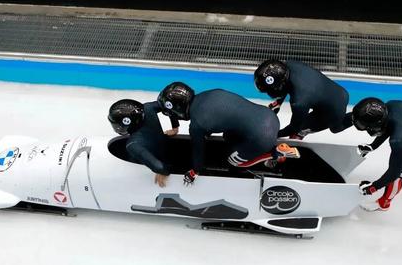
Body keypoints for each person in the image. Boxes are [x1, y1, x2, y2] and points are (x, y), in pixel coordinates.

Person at [157, 82, 300, 186]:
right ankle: (270, 152)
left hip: (261, 136)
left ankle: (275, 153)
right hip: (268, 117)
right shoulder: (210, 92)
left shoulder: (197, 125)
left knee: (233, 162)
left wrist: (195, 171)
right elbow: (221, 114)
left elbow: (198, 152)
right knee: (227, 135)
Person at [254, 59, 353, 139]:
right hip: (339, 92)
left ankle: (356, 116)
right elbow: (285, 85)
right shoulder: (289, 64)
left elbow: (294, 127)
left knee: (335, 128)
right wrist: (278, 102)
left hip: (333, 111)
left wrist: (274, 136)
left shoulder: (299, 102)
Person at [108, 99, 179, 187]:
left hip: (162, 163)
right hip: (168, 151)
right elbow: (170, 104)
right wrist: (175, 126)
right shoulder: (148, 108)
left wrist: (163, 171)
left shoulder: (132, 145)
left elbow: (160, 167)